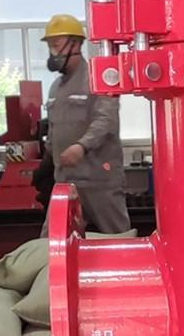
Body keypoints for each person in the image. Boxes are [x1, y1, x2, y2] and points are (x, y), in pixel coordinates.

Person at [40, 14, 130, 235]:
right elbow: (53, 129)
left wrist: (81, 146)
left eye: (56, 45)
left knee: (116, 238)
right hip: (65, 182)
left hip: (99, 180)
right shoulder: (55, 88)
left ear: (76, 44)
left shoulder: (97, 79)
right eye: (50, 46)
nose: (52, 52)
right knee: (51, 241)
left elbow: (106, 119)